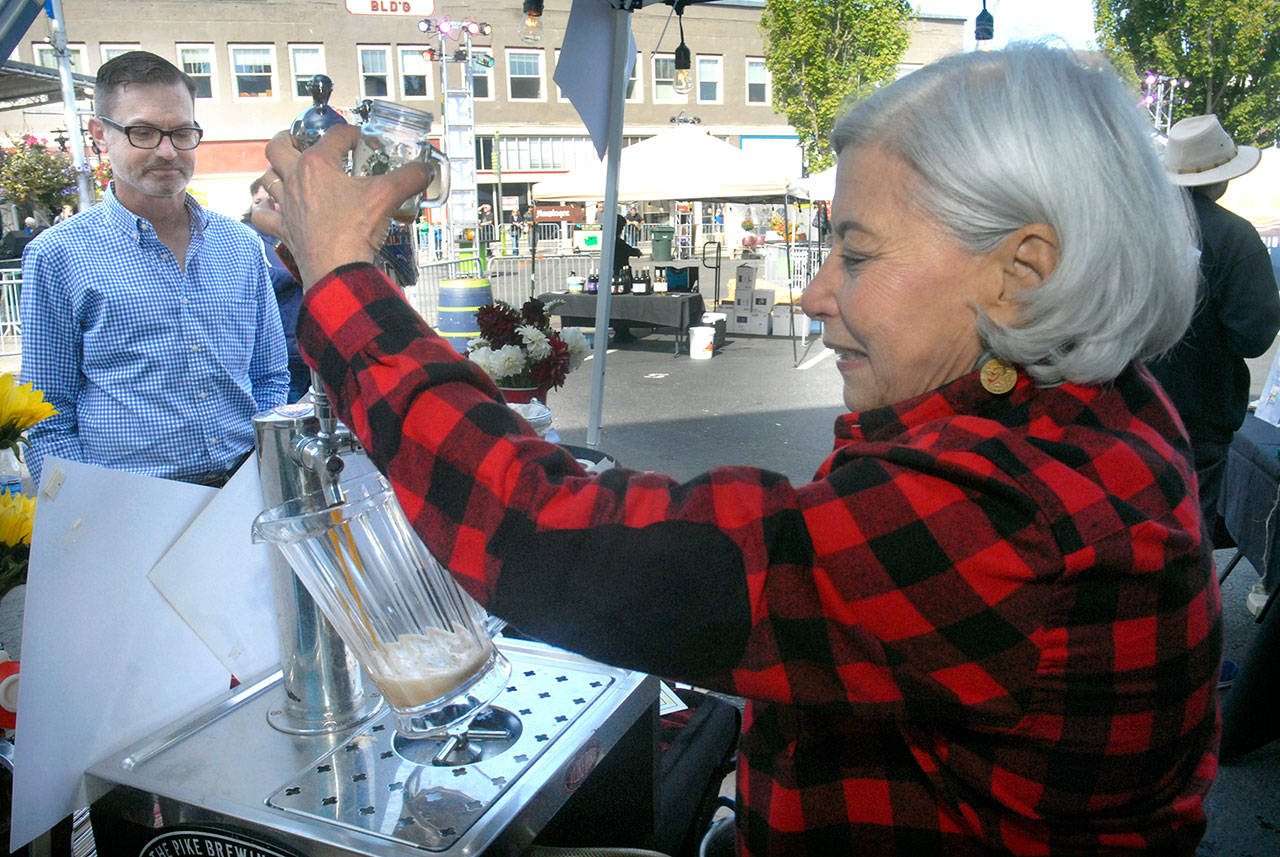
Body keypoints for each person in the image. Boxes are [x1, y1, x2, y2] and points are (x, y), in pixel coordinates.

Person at [255, 44, 1218, 856]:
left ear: (1022, 273)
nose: (815, 292)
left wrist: (342, 274)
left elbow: (549, 540)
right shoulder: (1073, 417)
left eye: (859, 250)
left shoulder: (1011, 514)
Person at [20, 51, 288, 488]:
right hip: (128, 505)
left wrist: (262, 468)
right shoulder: (59, 256)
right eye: (143, 132)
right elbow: (46, 415)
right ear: (100, 135)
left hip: (245, 491)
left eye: (182, 132)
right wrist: (85, 507)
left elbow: (270, 376)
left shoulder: (240, 246)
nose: (167, 150)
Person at [1147, 114, 1280, 540]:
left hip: (1129, 400)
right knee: (1188, 529)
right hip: (1199, 411)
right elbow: (1251, 337)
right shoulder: (1235, 237)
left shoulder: (1136, 228)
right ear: (1222, 180)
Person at [247, 177, 309, 403]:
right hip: (283, 350)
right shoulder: (250, 238)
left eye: (271, 199)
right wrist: (300, 271)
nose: (268, 205)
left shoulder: (298, 233)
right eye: (260, 201)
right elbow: (260, 280)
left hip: (308, 346)